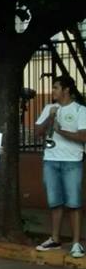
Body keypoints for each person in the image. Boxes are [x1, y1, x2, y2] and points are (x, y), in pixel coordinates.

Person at [34, 75, 86, 257]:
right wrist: (50, 118)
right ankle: (55, 239)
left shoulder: (80, 110)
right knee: (55, 201)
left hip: (72, 161)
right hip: (51, 160)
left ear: (66, 90)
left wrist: (60, 131)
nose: (52, 91)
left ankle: (76, 243)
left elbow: (83, 137)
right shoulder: (49, 108)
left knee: (74, 202)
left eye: (56, 87)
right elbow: (38, 132)